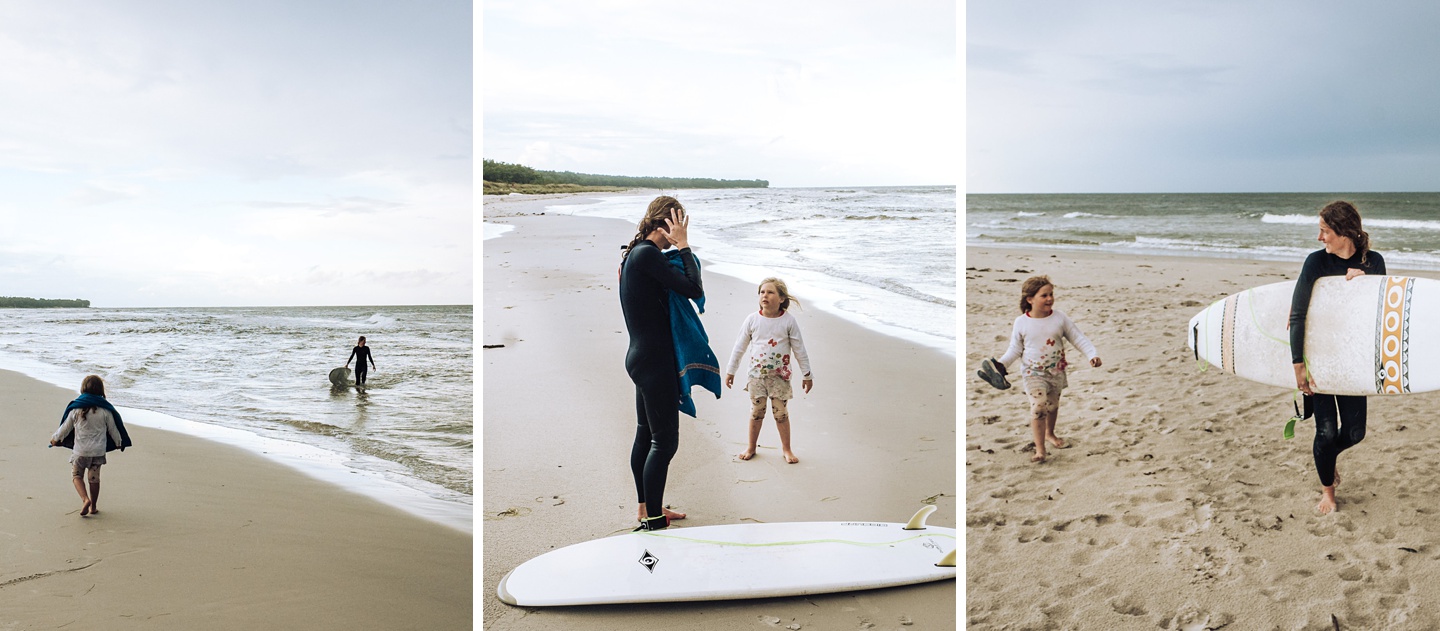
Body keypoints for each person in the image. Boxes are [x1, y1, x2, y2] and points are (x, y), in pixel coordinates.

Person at [1290, 200, 1385, 515]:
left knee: (1355, 433)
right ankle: (1328, 491)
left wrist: (1365, 286)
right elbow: (1299, 314)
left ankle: (1326, 459)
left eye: (1324, 231)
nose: (1320, 238)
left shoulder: (1374, 263)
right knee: (1326, 431)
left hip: (1352, 359)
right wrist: (1298, 366)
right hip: (1319, 357)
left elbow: (1380, 316)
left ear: (1345, 232)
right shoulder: (1315, 263)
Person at [618, 196, 703, 531]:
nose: (681, 231)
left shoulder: (635, 254)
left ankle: (646, 507)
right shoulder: (648, 255)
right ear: (667, 222)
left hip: (641, 357)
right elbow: (694, 288)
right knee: (664, 442)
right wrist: (683, 246)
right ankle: (654, 519)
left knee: (646, 435)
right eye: (679, 223)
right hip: (653, 362)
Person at [979, 276, 1102, 463]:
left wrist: (1091, 354)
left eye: (1051, 294)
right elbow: (1015, 349)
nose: (1050, 299)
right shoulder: (1021, 322)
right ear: (1030, 299)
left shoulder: (1059, 318)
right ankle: (1040, 449)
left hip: (1056, 371)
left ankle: (1050, 434)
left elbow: (1078, 338)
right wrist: (1003, 364)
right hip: (1032, 372)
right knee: (1038, 407)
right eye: (1044, 295)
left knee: (1052, 406)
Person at [724, 277, 812, 464]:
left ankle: (786, 449)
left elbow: (799, 349)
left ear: (781, 298)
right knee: (757, 412)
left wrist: (807, 374)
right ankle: (751, 447)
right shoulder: (752, 320)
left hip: (780, 377)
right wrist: (731, 371)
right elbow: (739, 347)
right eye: (762, 292)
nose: (765, 295)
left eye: (770, 292)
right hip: (757, 376)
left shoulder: (788, 321)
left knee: (780, 414)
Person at [50, 375, 132, 516]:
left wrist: (55, 439)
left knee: (77, 475)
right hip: (98, 452)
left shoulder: (76, 409)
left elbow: (65, 428)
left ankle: (85, 499)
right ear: (101, 390)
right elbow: (113, 429)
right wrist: (119, 443)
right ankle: (93, 506)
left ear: (83, 389)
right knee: (94, 479)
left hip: (80, 451)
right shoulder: (105, 410)